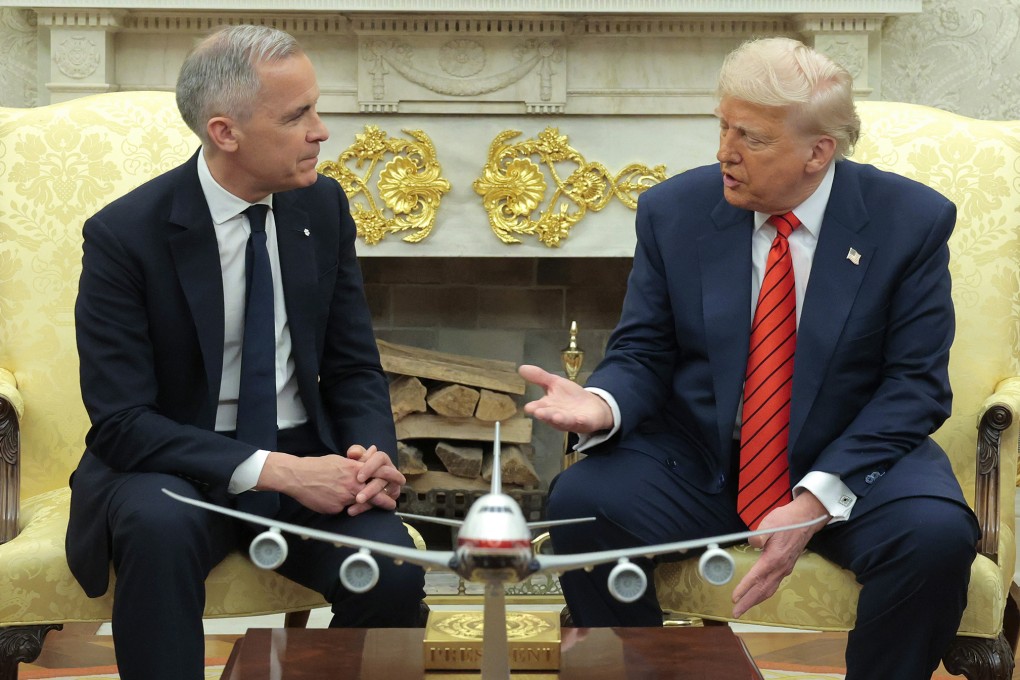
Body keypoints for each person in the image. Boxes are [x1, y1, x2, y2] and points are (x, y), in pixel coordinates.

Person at [520, 37, 978, 680]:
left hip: (851, 457)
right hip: (703, 458)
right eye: (723, 127)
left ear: (818, 152)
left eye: (751, 138)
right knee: (583, 503)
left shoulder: (909, 222)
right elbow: (644, 349)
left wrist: (814, 500)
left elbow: (915, 386)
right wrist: (603, 403)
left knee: (935, 538)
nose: (724, 152)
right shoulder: (674, 212)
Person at [65, 25, 425, 680]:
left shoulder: (322, 206)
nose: (321, 132)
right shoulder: (125, 236)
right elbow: (121, 423)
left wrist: (371, 454)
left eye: (316, 108)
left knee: (393, 570)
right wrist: (276, 471)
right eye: (296, 116)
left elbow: (351, 366)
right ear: (224, 132)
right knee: (157, 528)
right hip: (173, 465)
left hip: (305, 456)